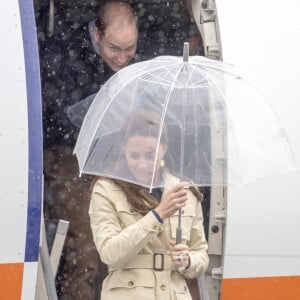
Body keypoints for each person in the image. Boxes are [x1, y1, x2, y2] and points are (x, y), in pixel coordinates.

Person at [42, 1, 139, 298]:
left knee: (128, 237)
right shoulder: (61, 52)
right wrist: (99, 111)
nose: (123, 58)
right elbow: (52, 118)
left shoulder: (138, 61)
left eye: (130, 48)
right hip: (66, 157)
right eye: (114, 48)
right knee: (86, 244)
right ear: (96, 35)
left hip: (117, 158)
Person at [89, 110, 209, 299]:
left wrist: (187, 261)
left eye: (151, 155)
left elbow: (201, 254)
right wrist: (158, 214)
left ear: (164, 148)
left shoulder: (185, 190)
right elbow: (110, 253)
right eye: (134, 155)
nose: (143, 164)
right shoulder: (106, 189)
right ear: (124, 150)